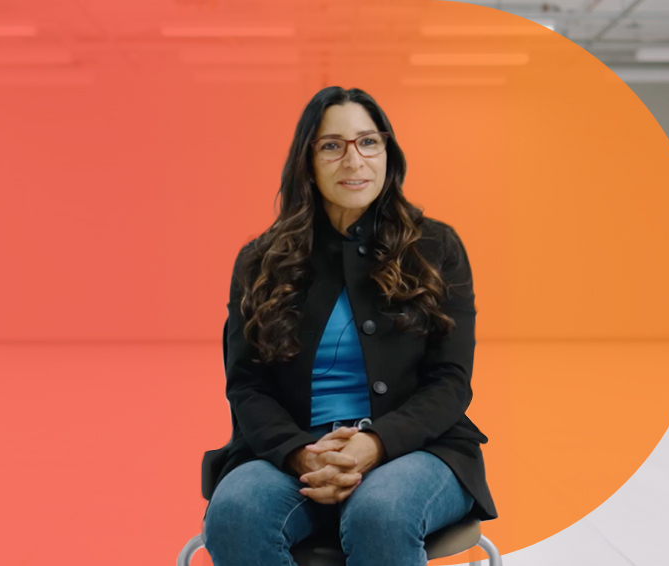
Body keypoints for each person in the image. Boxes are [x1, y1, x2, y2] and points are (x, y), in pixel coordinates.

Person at [202, 86, 497, 566]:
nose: (353, 160)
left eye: (368, 142)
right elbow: (247, 386)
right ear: (308, 162)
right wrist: (301, 453)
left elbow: (450, 383)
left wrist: (375, 444)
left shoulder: (436, 248)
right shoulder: (260, 261)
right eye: (332, 145)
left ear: (387, 153)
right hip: (292, 451)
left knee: (380, 512)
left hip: (417, 450)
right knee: (236, 512)